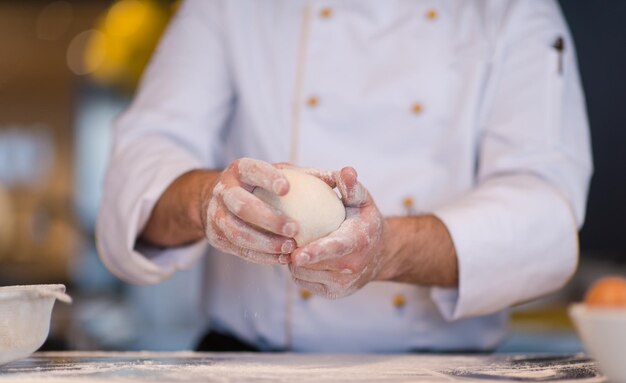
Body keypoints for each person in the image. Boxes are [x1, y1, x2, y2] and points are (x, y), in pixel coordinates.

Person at [97, 0, 592, 352]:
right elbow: (143, 162)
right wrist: (209, 200)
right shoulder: (231, 8)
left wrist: (387, 248)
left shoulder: (513, 10)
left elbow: (544, 211)